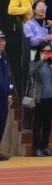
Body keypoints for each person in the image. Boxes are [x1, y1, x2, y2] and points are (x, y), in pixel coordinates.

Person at [0, 32, 11, 161]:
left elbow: (8, 76)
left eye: (3, 40)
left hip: (3, 96)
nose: (2, 43)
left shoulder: (4, 56)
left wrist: (9, 93)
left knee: (2, 122)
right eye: (0, 40)